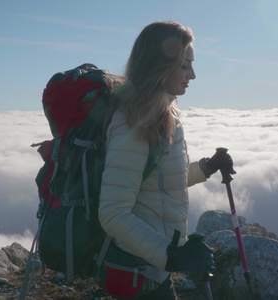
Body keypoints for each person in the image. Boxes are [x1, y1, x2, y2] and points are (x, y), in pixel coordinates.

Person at [97, 20, 235, 300]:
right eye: (185, 65)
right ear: (158, 66)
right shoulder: (133, 124)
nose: (193, 74)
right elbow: (113, 213)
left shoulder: (162, 114)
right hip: (137, 273)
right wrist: (173, 255)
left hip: (153, 267)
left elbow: (159, 181)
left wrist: (207, 166)